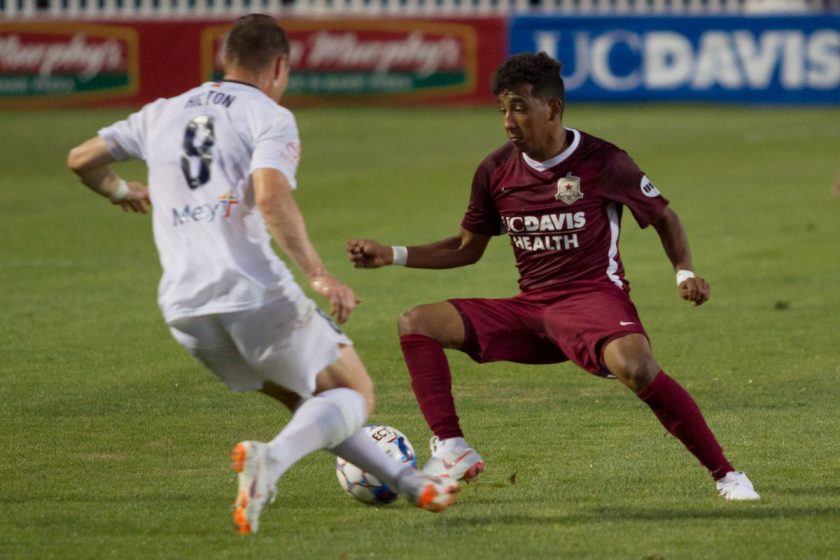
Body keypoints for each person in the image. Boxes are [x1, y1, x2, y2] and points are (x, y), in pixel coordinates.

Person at [67, 14, 458, 535]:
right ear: (279, 66)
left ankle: (410, 483)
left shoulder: (160, 112)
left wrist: (121, 191)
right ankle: (269, 460)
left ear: (224, 59)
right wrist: (320, 275)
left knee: (310, 404)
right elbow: (271, 197)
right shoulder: (267, 115)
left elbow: (81, 159)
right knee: (355, 394)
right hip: (250, 290)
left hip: (184, 308)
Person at [347, 52, 759, 501]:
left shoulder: (603, 161)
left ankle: (727, 475)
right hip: (532, 309)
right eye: (502, 109)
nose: (508, 121)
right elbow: (466, 247)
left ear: (552, 109)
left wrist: (684, 272)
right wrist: (391, 254)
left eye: (520, 108)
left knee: (637, 368)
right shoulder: (495, 171)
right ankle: (451, 447)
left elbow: (664, 218)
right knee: (417, 322)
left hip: (593, 299)